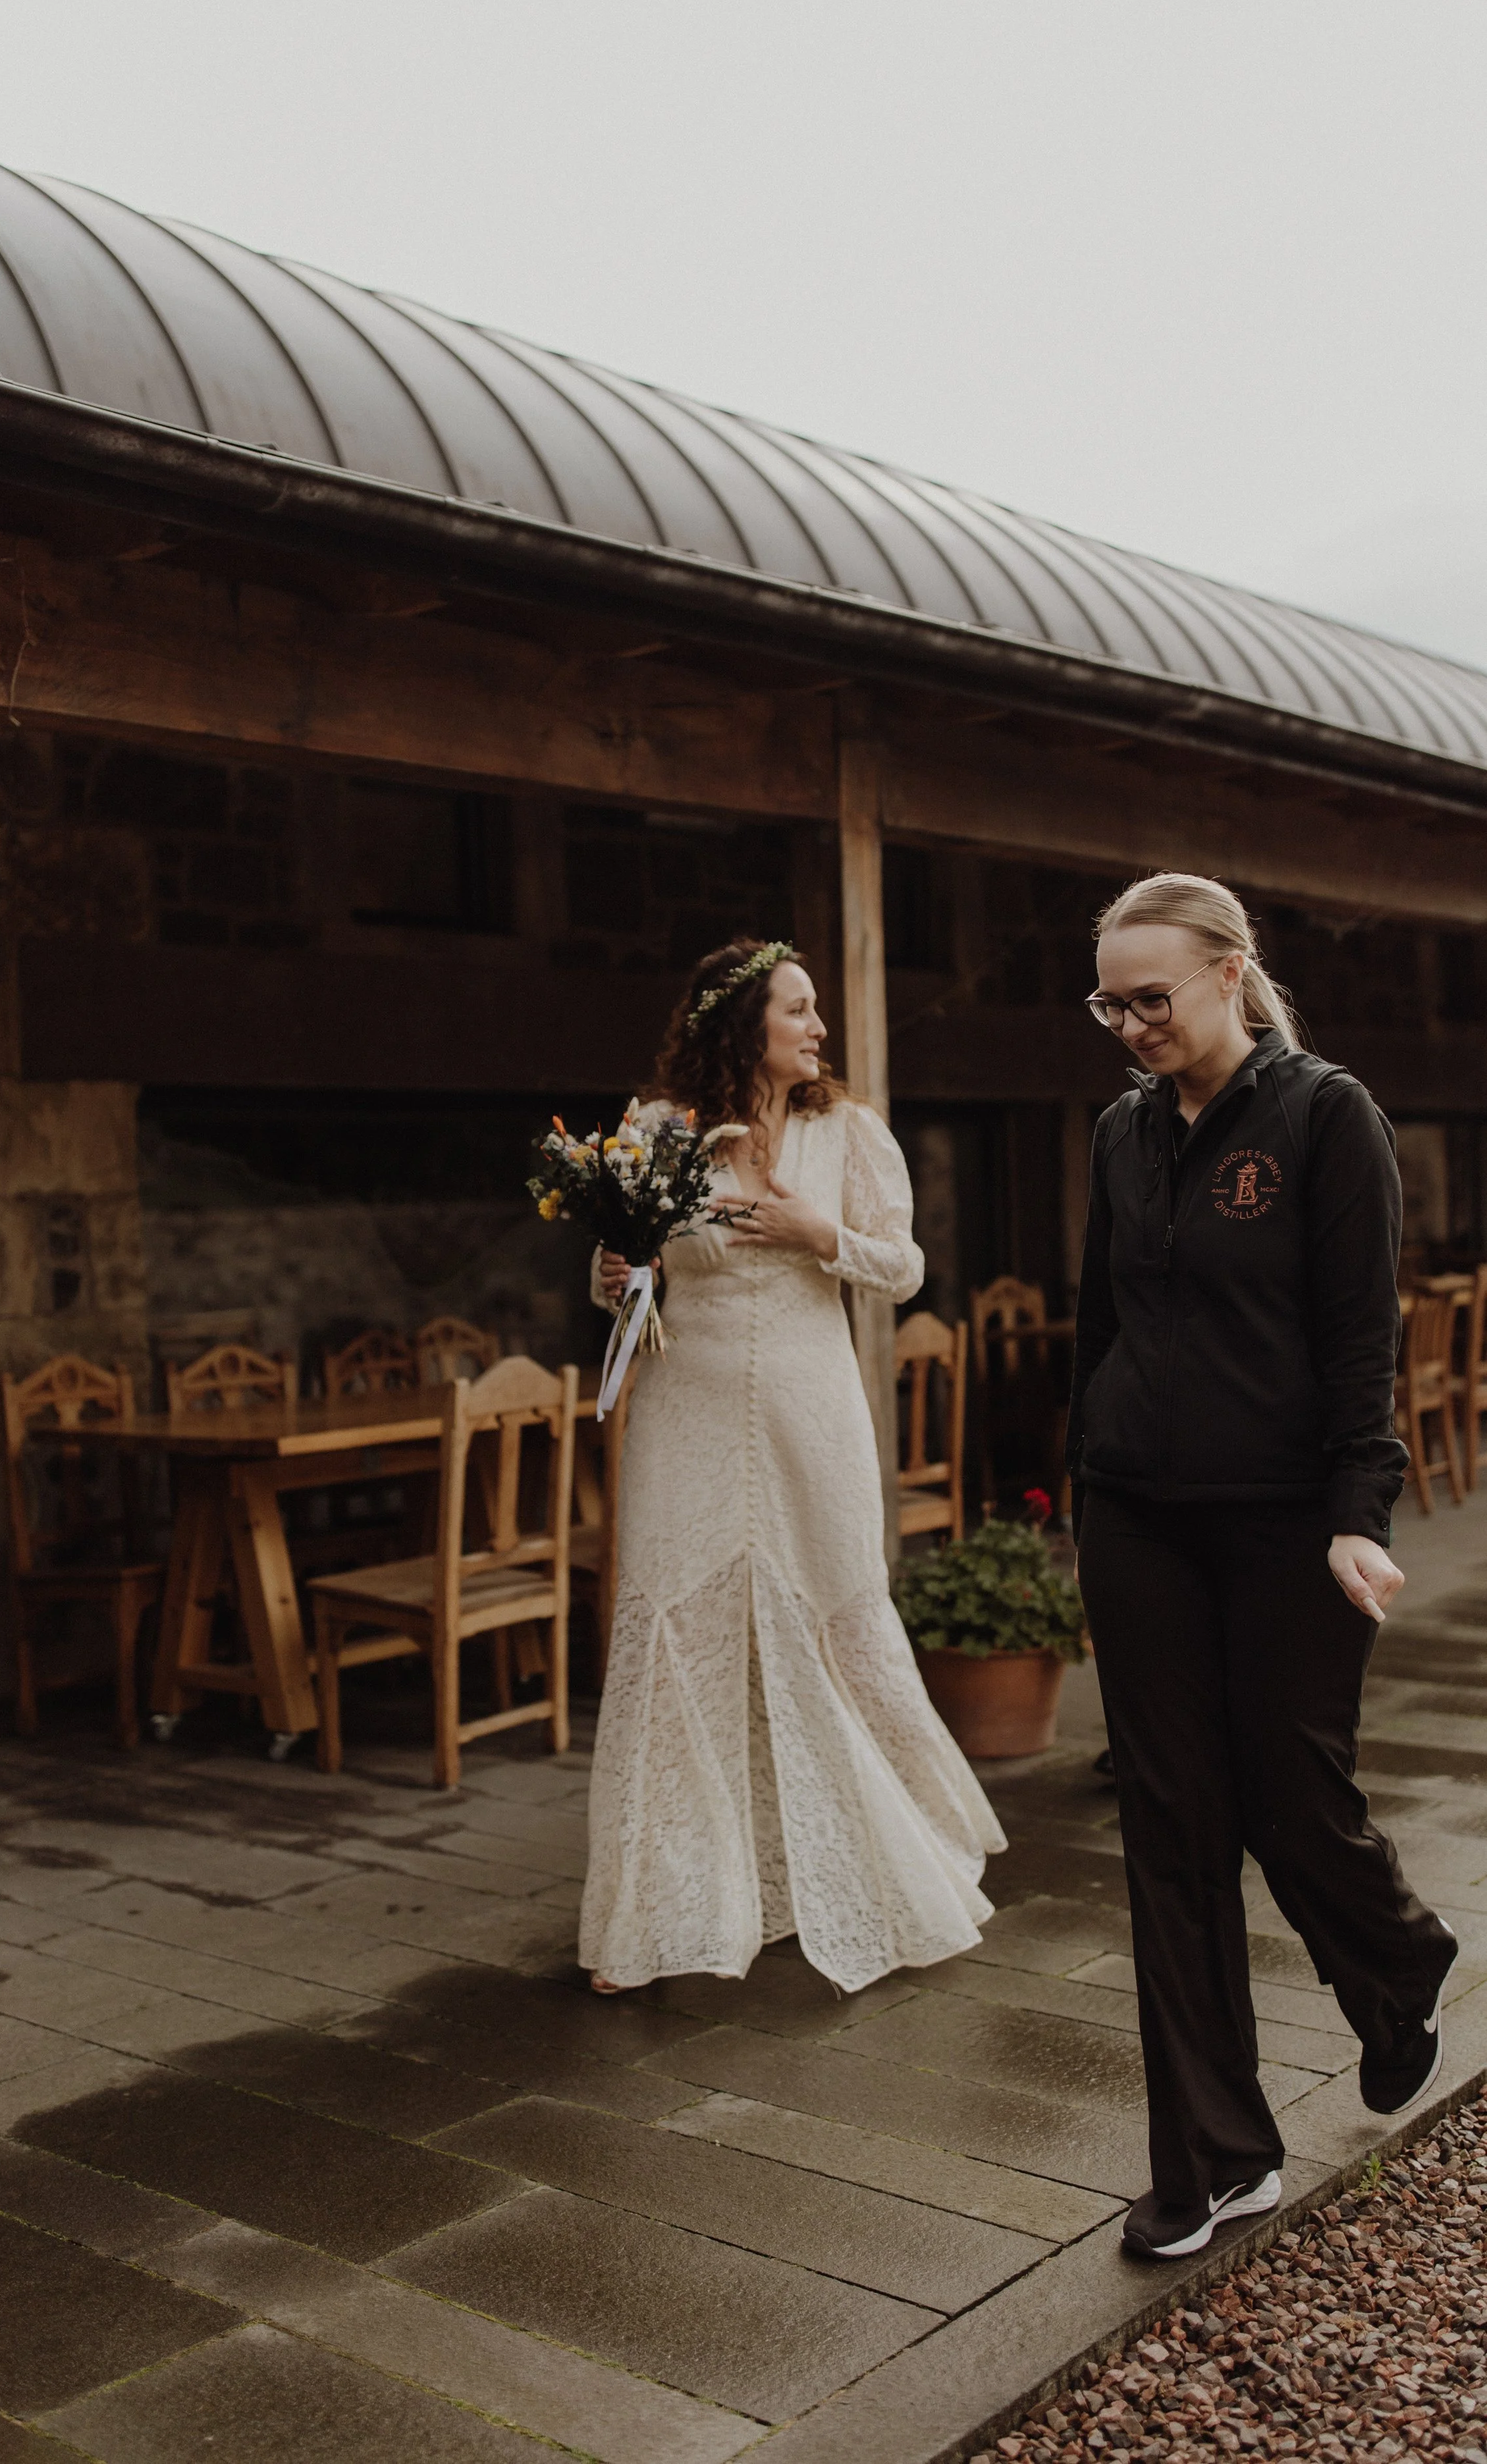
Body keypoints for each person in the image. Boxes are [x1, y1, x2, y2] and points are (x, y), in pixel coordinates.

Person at [1069, 871, 1456, 2261]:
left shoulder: (1323, 1116)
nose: (1130, 1026)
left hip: (1288, 1521)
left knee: (1292, 1797)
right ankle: (1215, 2160)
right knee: (1169, 1833)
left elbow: (1360, 1335)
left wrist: (1360, 1510)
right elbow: (1100, 1325)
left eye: (1151, 998)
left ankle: (1396, 1957)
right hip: (1138, 1519)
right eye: (1108, 1003)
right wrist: (1081, 1483)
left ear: (1229, 974)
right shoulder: (1120, 1133)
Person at [580, 936, 1004, 1996]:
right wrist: (614, 1271)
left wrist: (821, 1231)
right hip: (687, 1409)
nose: (819, 1027)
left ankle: (882, 1862)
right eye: (798, 1008)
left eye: (815, 1009)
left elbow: (903, 1267)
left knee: (833, 1613)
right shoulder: (658, 1129)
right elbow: (627, 1279)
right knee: (677, 1624)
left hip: (812, 1410)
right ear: (743, 1025)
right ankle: (656, 1916)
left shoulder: (846, 1130)